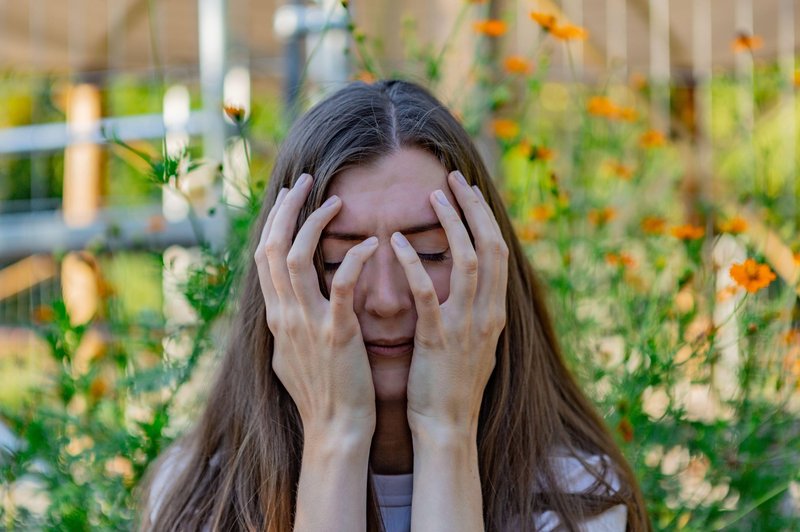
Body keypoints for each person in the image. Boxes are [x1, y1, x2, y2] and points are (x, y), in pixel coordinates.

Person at [138, 79, 651, 531]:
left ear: (491, 263)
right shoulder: (194, 500)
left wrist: (445, 432)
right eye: (339, 260)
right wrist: (333, 435)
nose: (386, 299)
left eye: (428, 252)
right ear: (278, 277)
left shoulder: (577, 498)